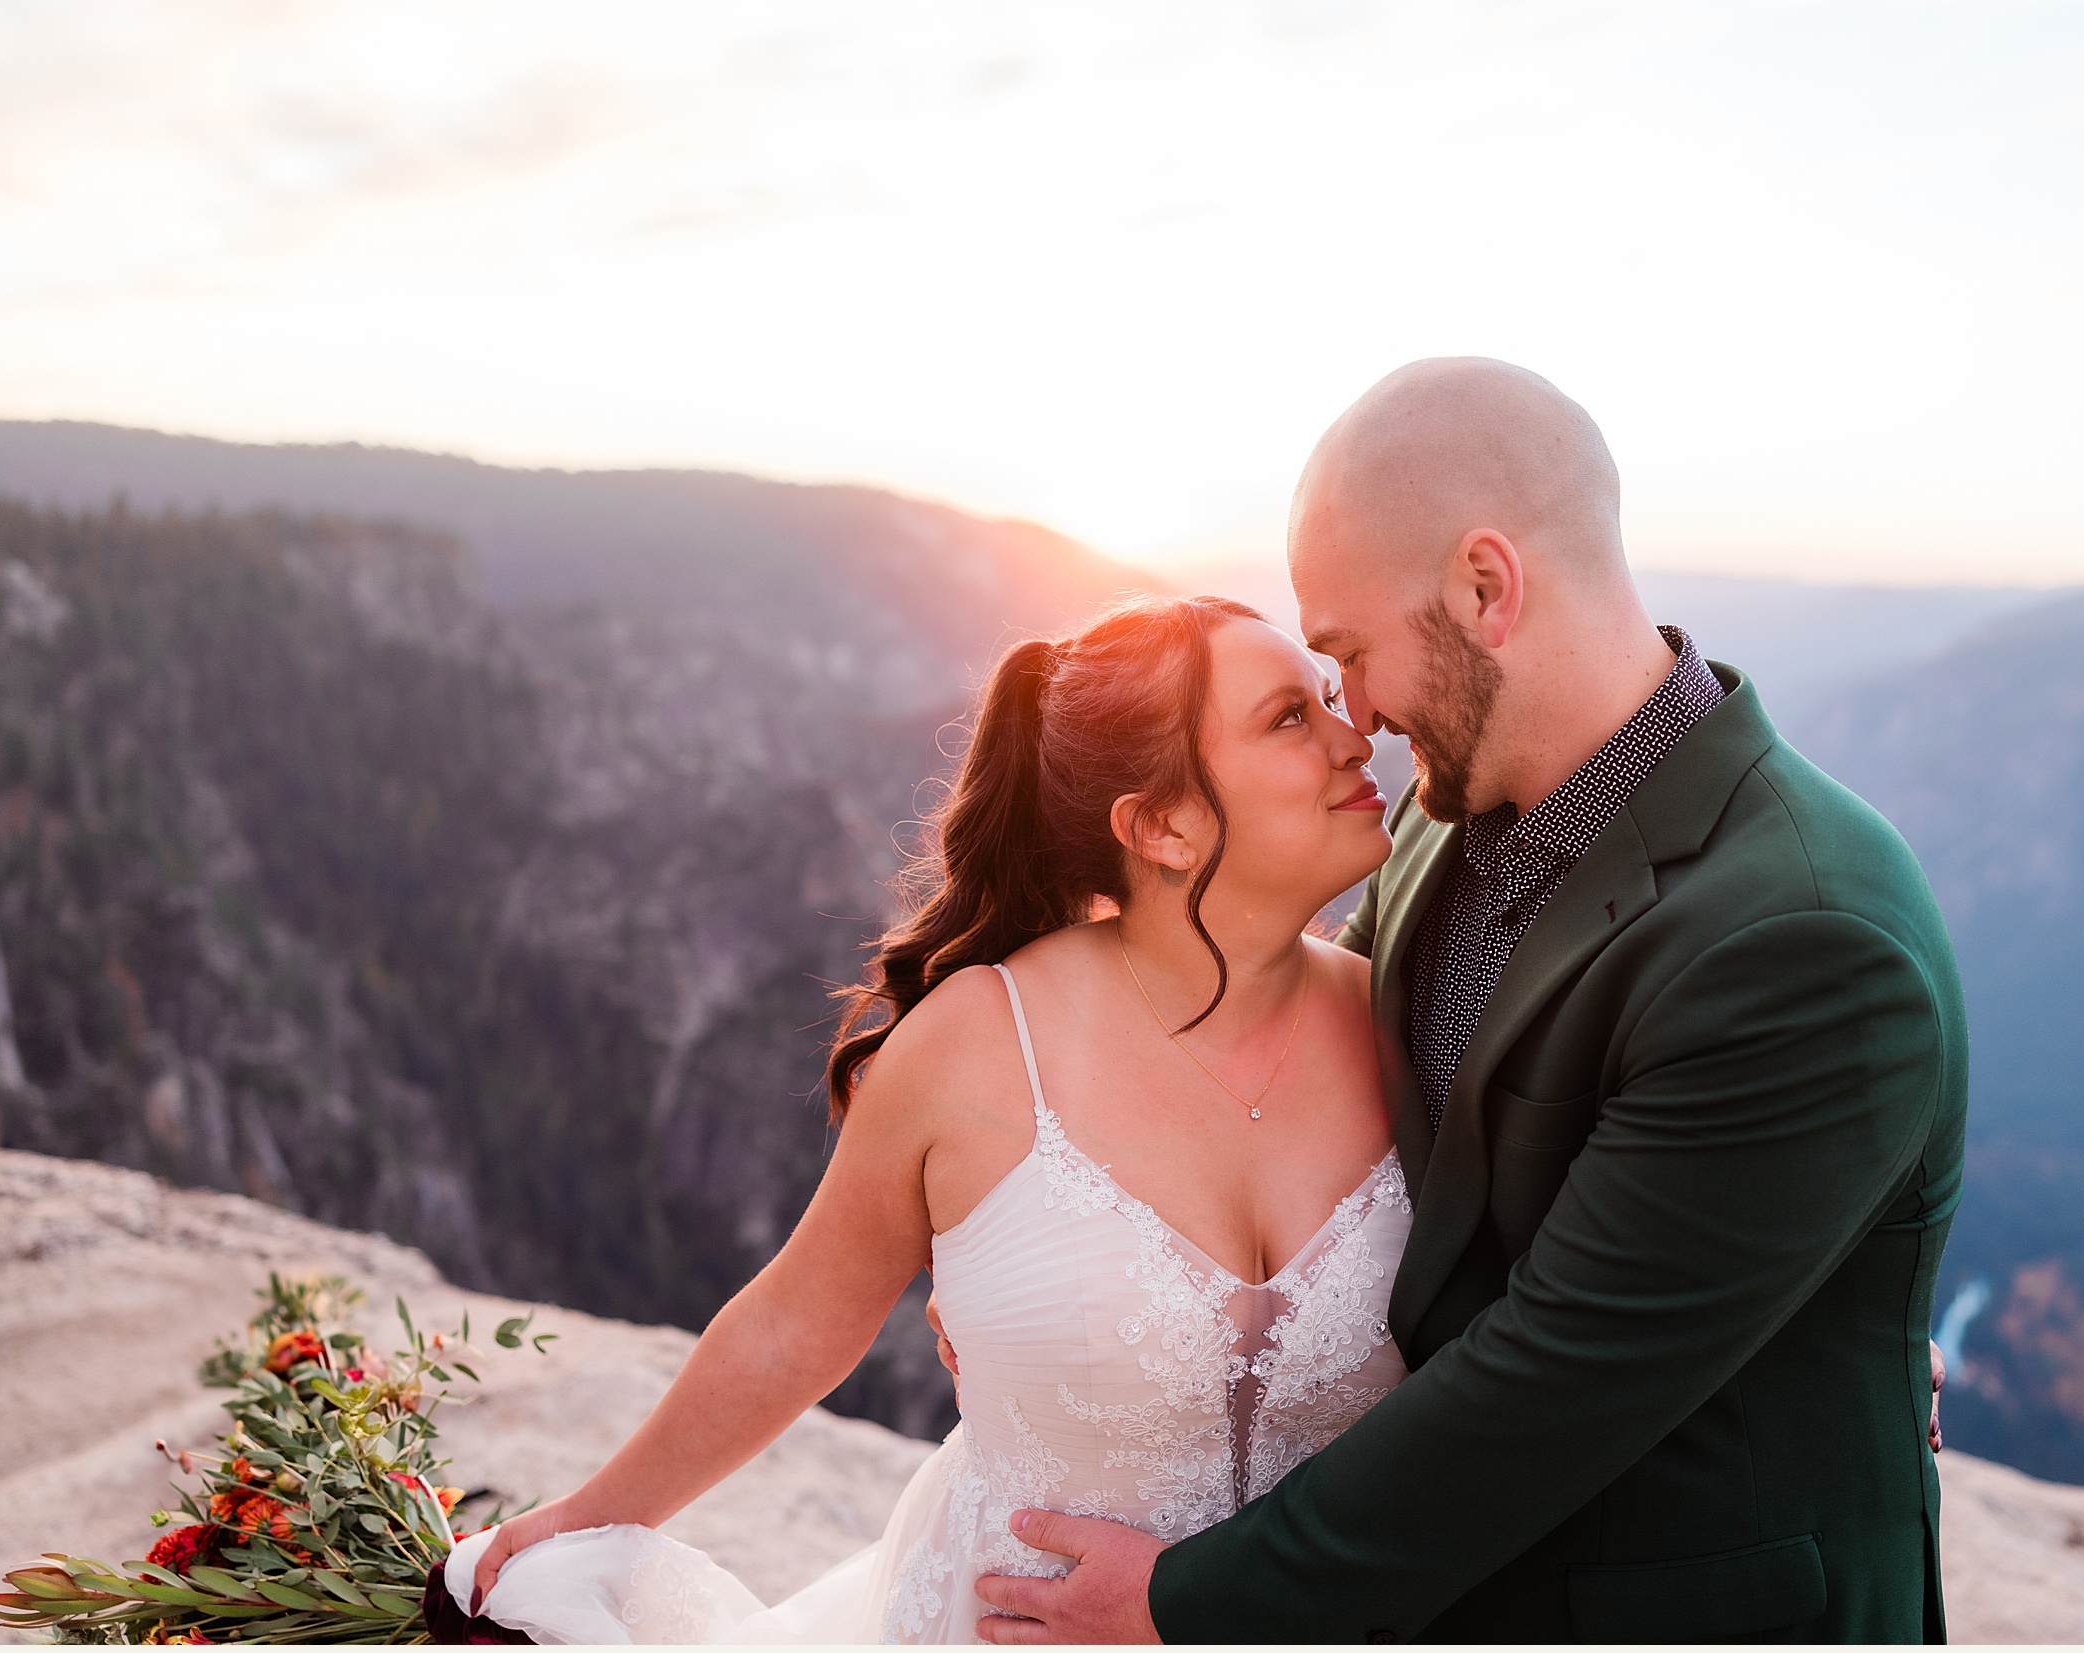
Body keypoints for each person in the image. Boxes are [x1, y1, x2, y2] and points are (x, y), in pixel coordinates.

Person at [969, 358, 1968, 1643]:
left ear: (1485, 589)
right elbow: (1285, 1074)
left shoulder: (1802, 939)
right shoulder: (1450, 827)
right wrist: (1044, 1265)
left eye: (1351, 656)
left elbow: (1558, 1380)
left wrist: (1186, 1604)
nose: (1359, 717)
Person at [444, 594, 1413, 1642]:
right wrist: (590, 1519)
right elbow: (794, 1324)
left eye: (1326, 700)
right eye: (1287, 718)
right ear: (1161, 826)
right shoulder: (980, 1043)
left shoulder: (1404, 1022)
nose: (1354, 735)